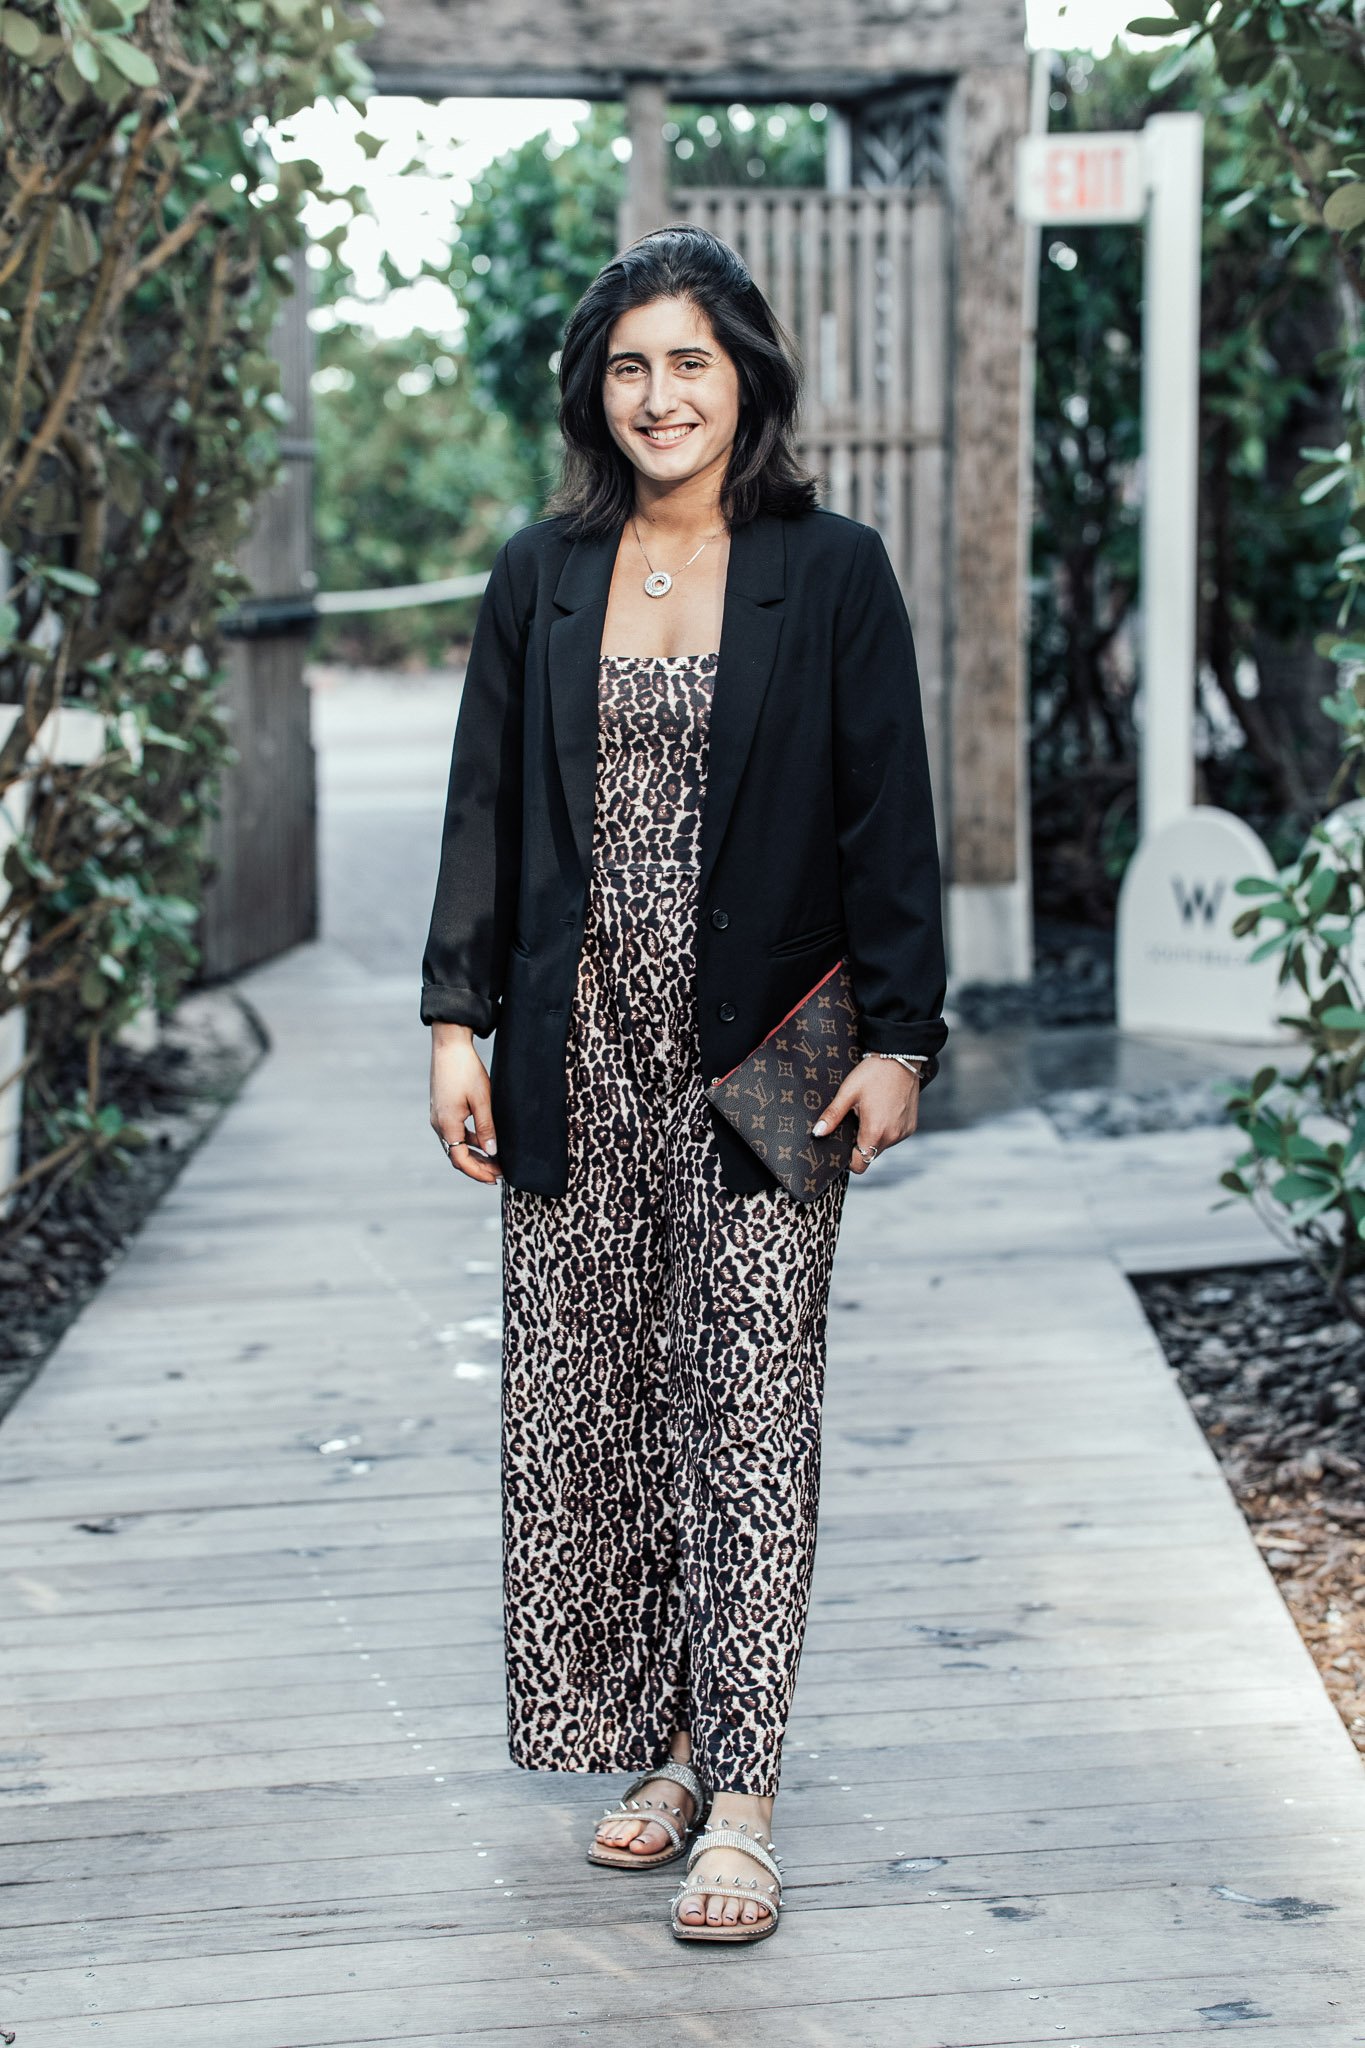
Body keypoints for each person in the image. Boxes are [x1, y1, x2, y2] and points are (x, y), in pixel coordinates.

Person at [421, 222, 948, 1946]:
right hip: (573, 1057)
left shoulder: (832, 569)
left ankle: (746, 1792)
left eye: (692, 362)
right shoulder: (541, 572)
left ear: (748, 382)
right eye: (631, 365)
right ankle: (655, 1746)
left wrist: (900, 1039)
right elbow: (486, 812)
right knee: (602, 1429)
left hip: (770, 1058)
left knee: (748, 1417)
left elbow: (888, 815)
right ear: (598, 390)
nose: (661, 395)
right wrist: (452, 1024)